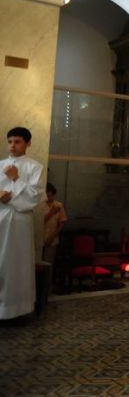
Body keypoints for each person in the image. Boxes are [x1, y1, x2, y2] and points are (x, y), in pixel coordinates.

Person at [0, 127, 44, 320]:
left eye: (17, 141)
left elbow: (35, 197)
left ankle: (16, 309)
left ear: (28, 143)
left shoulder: (35, 167)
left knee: (15, 263)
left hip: (19, 222)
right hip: (0, 217)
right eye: (10, 141)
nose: (12, 145)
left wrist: (15, 178)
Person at [41, 183, 67, 264]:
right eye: (47, 196)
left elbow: (62, 222)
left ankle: (48, 277)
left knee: (49, 263)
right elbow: (39, 222)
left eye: (51, 196)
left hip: (52, 238)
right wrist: (51, 213)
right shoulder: (40, 205)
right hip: (39, 237)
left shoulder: (58, 205)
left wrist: (53, 236)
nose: (49, 198)